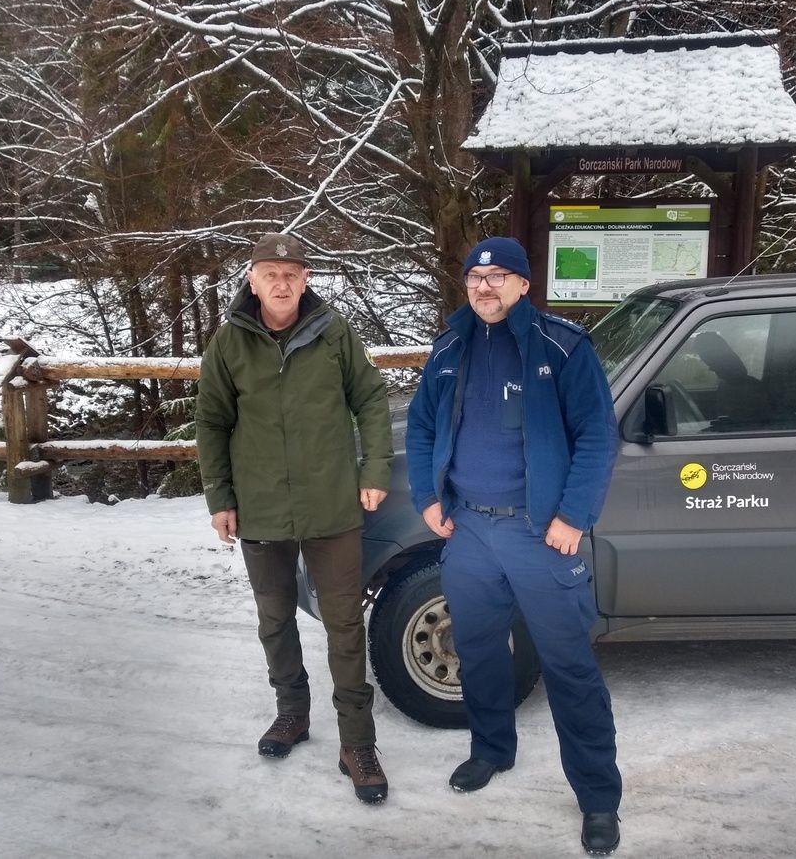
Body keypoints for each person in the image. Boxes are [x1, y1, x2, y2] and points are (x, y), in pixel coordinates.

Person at [405, 236, 623, 854]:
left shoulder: (562, 347)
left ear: (524, 284)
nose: (486, 287)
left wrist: (572, 517)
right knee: (478, 652)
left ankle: (598, 798)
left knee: (569, 668)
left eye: (500, 276)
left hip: (540, 534)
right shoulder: (449, 347)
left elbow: (596, 438)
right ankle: (492, 750)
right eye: (476, 278)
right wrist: (428, 496)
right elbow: (422, 427)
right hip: (469, 530)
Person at [194, 232, 393, 804]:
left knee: (344, 625)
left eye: (292, 273)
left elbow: (370, 399)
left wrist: (373, 468)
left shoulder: (335, 332)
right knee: (275, 619)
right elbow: (211, 422)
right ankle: (292, 714)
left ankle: (356, 741)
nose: (281, 283)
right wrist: (220, 497)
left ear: (306, 279)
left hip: (331, 503)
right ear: (252, 279)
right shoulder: (230, 342)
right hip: (259, 506)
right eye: (270, 273)